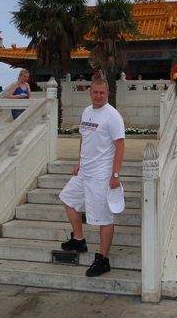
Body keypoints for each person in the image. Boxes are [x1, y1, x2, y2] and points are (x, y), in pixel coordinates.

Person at [59, 78, 125, 277]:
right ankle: (78, 239)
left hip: (101, 174)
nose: (98, 96)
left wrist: (115, 175)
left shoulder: (113, 116)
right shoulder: (87, 111)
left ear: (107, 94)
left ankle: (103, 259)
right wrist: (80, 162)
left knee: (103, 217)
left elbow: (120, 145)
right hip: (85, 170)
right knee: (68, 200)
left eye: (101, 93)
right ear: (90, 92)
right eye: (95, 92)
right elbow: (84, 138)